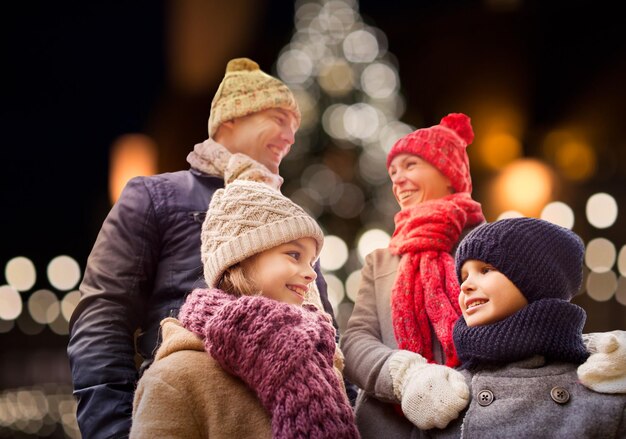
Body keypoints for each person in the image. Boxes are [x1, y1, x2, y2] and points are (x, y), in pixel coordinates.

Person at [67, 57, 337, 439]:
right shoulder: (156, 197)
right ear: (231, 119)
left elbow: (326, 327)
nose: (290, 136)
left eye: (294, 127)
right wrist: (116, 431)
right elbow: (103, 317)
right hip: (190, 414)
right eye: (278, 119)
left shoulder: (292, 221)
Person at [340, 113, 626, 438]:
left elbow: (531, 323)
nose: (398, 179)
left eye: (410, 166)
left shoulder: (490, 243)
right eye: (393, 171)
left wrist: (589, 348)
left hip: (475, 411)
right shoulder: (382, 259)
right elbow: (356, 339)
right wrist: (406, 377)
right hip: (390, 422)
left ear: (448, 171)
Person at [130, 180, 359, 438]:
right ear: (241, 258)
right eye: (294, 255)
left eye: (311, 262)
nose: (310, 274)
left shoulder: (321, 361)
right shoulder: (175, 378)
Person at [427, 217, 626, 438]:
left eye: (485, 270)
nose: (465, 285)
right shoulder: (446, 395)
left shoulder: (603, 384)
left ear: (537, 282)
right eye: (463, 277)